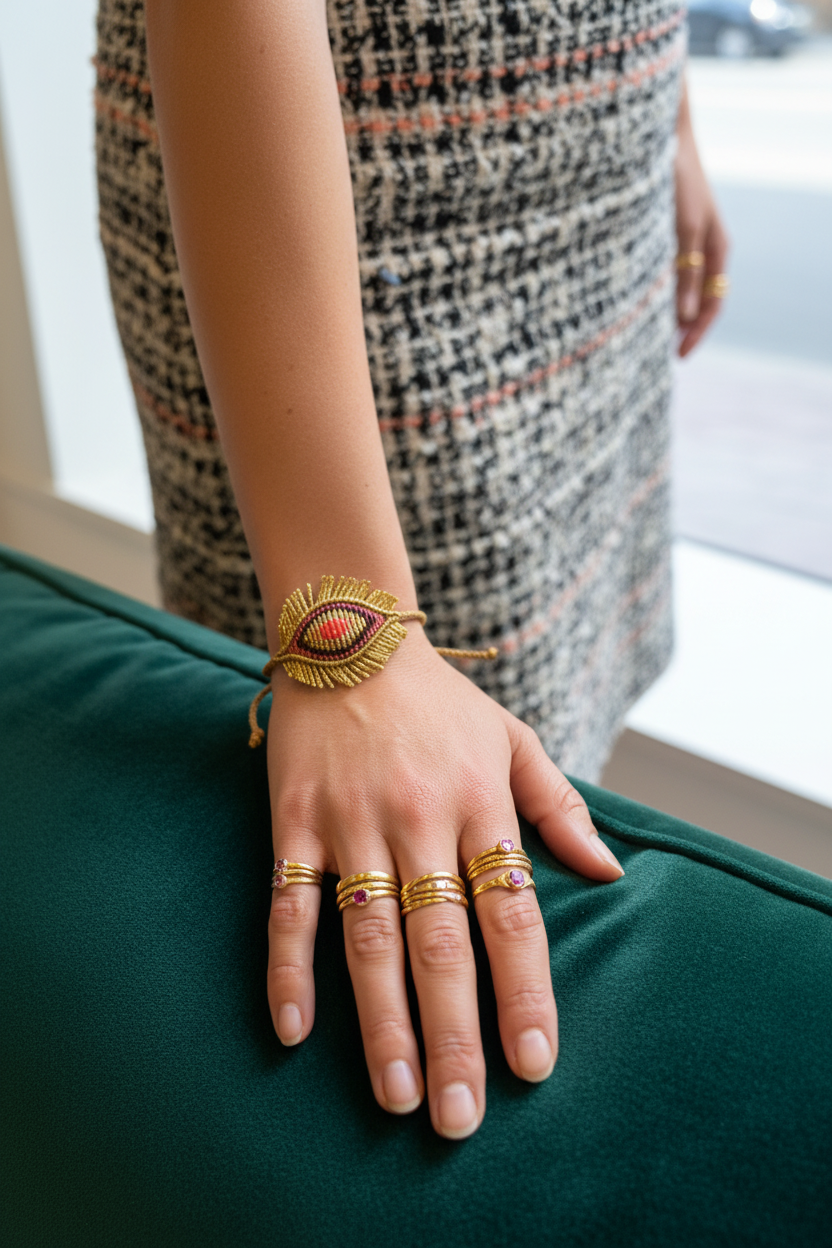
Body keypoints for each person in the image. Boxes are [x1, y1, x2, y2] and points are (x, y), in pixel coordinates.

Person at [95, 0, 728, 1140]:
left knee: (548, 741)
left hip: (609, 145)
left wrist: (669, 115)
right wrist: (355, 633)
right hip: (346, 203)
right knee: (411, 852)